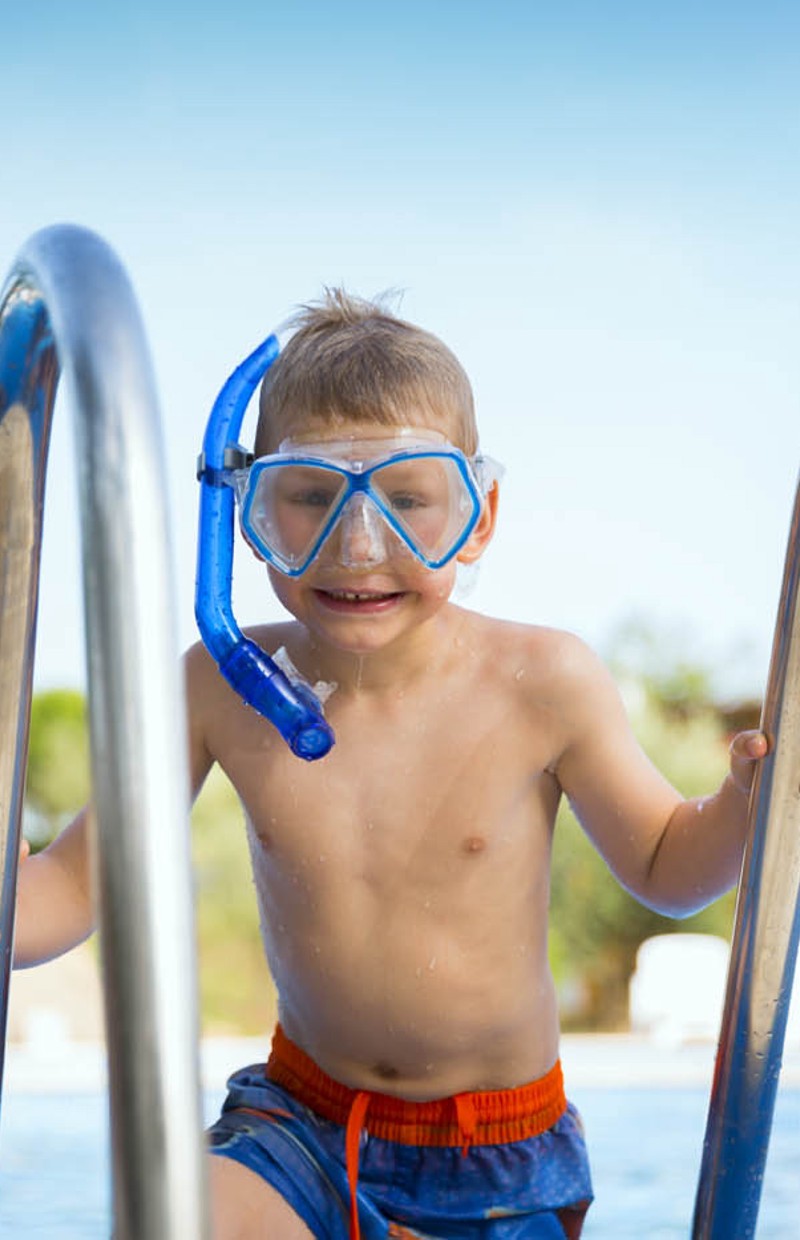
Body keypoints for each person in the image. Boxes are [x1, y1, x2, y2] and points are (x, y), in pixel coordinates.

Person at [13, 290, 767, 1240]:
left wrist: (746, 805)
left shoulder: (543, 680)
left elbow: (666, 867)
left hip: (494, 1157)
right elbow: (65, 894)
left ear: (479, 514)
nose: (360, 547)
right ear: (245, 507)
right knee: (174, 1214)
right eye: (311, 500)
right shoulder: (222, 687)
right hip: (300, 1126)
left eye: (410, 501)